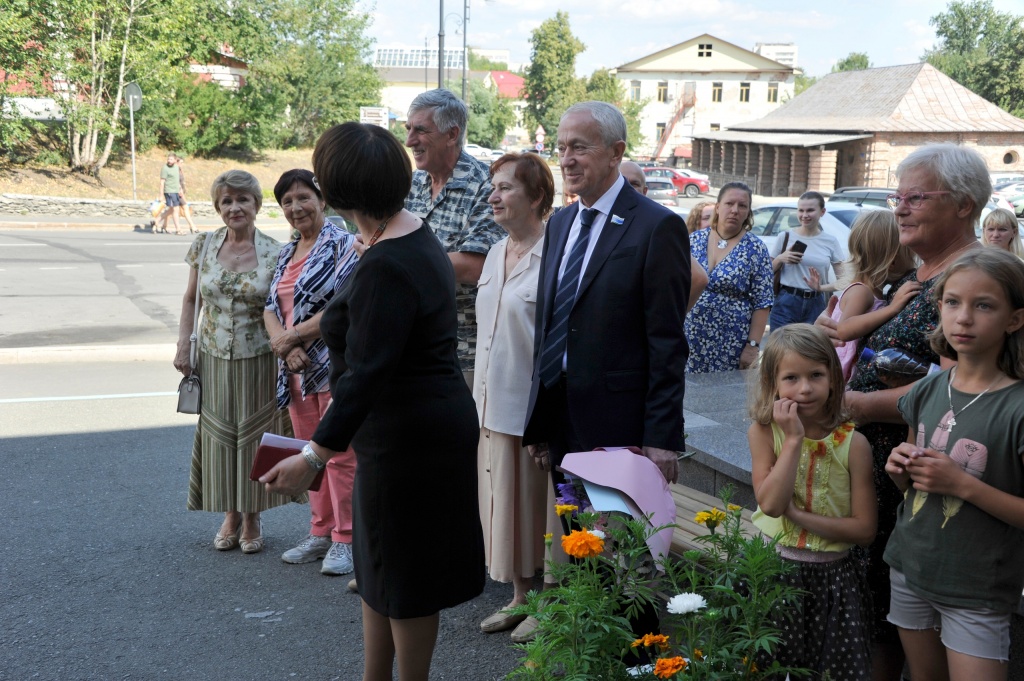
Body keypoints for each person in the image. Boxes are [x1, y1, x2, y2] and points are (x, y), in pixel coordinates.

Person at [260, 122, 484, 681]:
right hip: (410, 428)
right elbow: (347, 319)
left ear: (336, 193)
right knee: (379, 564)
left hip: (410, 437)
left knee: (404, 576)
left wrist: (313, 456)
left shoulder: (386, 261)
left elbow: (366, 376)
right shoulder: (398, 238)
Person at [817, 143, 989, 680]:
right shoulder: (920, 275)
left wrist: (856, 403)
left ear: (963, 204)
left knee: (893, 622)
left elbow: (961, 395)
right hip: (883, 467)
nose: (900, 208)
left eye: (915, 197)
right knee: (877, 617)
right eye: (898, 197)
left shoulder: (971, 280)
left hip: (916, 475)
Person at [522, 101, 690, 642]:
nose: (566, 159)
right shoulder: (563, 222)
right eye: (562, 147)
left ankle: (641, 659)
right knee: (582, 549)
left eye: (580, 147)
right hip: (564, 419)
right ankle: (595, 653)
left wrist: (662, 438)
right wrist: (541, 421)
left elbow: (666, 342)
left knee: (630, 562)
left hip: (620, 430)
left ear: (617, 152)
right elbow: (553, 324)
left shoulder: (656, 227)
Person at [884, 249, 1024, 680]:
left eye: (983, 305)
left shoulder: (1016, 406)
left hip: (977, 585)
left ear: (1014, 320)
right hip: (911, 566)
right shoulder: (926, 391)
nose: (963, 317)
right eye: (952, 302)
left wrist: (961, 484)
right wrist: (901, 472)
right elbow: (915, 488)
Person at [749, 323, 876, 680]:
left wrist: (796, 513)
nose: (804, 388)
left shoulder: (854, 444)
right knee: (767, 669)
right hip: (773, 568)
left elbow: (864, 530)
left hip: (834, 577)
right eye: (791, 378)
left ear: (834, 377)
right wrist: (792, 441)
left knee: (832, 671)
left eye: (816, 375)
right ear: (772, 383)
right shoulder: (764, 432)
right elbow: (772, 505)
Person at [173, 169, 289, 554]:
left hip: (261, 356)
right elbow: (192, 299)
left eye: (243, 200)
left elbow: (282, 307)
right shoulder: (203, 245)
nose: (235, 207)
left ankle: (254, 513)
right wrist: (183, 346)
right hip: (213, 355)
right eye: (227, 201)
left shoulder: (276, 250)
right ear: (218, 207)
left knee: (256, 434)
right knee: (220, 435)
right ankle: (230, 513)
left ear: (257, 205)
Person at [474, 152, 555, 640]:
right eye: (494, 187)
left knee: (542, 506)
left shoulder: (556, 257)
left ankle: (552, 602)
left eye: (506, 188)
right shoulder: (495, 251)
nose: (494, 196)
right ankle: (520, 597)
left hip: (532, 408)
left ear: (537, 197)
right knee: (505, 503)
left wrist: (546, 417)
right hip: (490, 402)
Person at [263, 169, 359, 575]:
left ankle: (347, 538)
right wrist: (285, 348)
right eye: (287, 201)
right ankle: (320, 530)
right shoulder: (287, 253)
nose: (295, 207)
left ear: (323, 201)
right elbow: (270, 308)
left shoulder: (342, 244)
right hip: (296, 369)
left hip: (332, 363)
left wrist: (292, 340)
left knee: (337, 454)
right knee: (306, 451)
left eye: (303, 197)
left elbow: (343, 305)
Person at [403, 88, 504, 386]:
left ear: (452, 134)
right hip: (413, 347)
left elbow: (475, 266)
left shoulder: (487, 185)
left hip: (463, 355)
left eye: (421, 130)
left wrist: (398, 261)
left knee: (460, 434)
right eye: (408, 129)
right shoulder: (414, 182)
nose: (410, 140)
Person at [686, 182, 774, 373]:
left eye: (742, 206)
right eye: (729, 203)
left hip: (731, 343)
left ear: (748, 212)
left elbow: (763, 301)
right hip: (688, 338)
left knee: (723, 397)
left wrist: (752, 346)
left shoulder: (756, 249)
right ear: (718, 207)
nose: (735, 210)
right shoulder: (694, 240)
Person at [830, 211, 920, 381]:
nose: (914, 261)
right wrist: (893, 308)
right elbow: (844, 329)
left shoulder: (873, 291)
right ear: (892, 262)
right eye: (911, 255)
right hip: (839, 377)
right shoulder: (862, 292)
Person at [620, 161, 708, 312]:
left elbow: (699, 278)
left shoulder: (656, 225)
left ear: (644, 191)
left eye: (634, 184)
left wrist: (666, 322)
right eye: (621, 182)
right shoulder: (603, 220)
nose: (627, 188)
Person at [769, 191, 845, 331]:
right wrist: (781, 258)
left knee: (810, 351)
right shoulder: (784, 236)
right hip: (786, 301)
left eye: (810, 210)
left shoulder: (830, 241)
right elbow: (766, 272)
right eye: (801, 210)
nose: (804, 215)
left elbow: (844, 280)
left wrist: (821, 288)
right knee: (780, 350)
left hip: (816, 304)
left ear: (822, 212)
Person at [158, 153, 185, 235]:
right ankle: (178, 229)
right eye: (168, 159)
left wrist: (180, 189)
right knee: (175, 210)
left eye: (171, 159)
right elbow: (162, 182)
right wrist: (161, 195)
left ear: (175, 160)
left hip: (176, 191)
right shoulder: (165, 168)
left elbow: (177, 180)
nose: (169, 161)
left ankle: (158, 222)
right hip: (169, 191)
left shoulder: (176, 167)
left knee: (171, 210)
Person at [174, 155, 198, 234]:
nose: (182, 164)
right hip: (177, 192)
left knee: (171, 211)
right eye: (181, 162)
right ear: (177, 162)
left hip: (180, 192)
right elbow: (176, 182)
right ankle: (192, 226)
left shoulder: (179, 169)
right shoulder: (175, 170)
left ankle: (158, 223)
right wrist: (180, 191)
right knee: (185, 207)